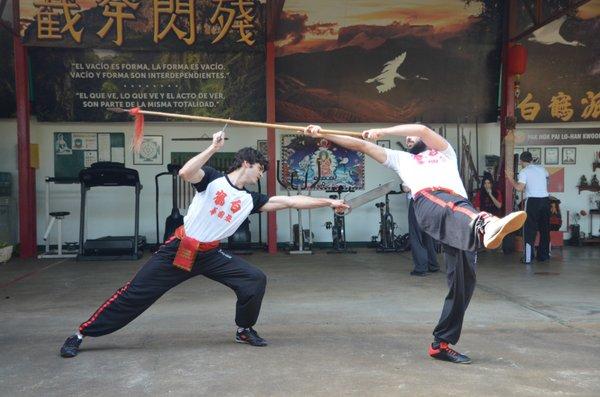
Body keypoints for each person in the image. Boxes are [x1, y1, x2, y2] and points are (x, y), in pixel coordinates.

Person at [60, 130, 349, 358]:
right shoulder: (211, 179)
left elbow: (289, 201)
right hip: (180, 249)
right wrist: (213, 148)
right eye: (260, 169)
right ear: (247, 163)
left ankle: (244, 329)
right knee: (134, 294)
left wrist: (328, 201)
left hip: (211, 253)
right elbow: (186, 173)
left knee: (254, 280)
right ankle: (81, 334)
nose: (262, 174)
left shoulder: (251, 199)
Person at [304, 123, 526, 364]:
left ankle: (440, 343)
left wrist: (384, 132)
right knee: (446, 202)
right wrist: (323, 133)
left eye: (411, 137)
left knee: (464, 281)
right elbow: (360, 144)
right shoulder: (400, 160)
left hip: (460, 213)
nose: (409, 139)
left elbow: (421, 129)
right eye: (407, 139)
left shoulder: (445, 152)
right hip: (430, 204)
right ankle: (486, 225)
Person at [403, 136, 439, 276]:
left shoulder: (412, 161)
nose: (408, 142)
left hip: (418, 199)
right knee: (427, 234)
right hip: (432, 201)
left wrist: (405, 186)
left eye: (411, 140)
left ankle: (420, 267)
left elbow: (407, 187)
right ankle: (432, 264)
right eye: (407, 139)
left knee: (416, 235)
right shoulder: (433, 159)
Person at [505, 151, 550, 263]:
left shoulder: (524, 171)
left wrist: (510, 179)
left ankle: (528, 258)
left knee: (529, 229)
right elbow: (546, 182)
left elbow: (519, 188)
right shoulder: (542, 169)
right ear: (531, 160)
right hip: (545, 200)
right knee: (545, 229)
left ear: (521, 161)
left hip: (533, 202)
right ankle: (544, 256)